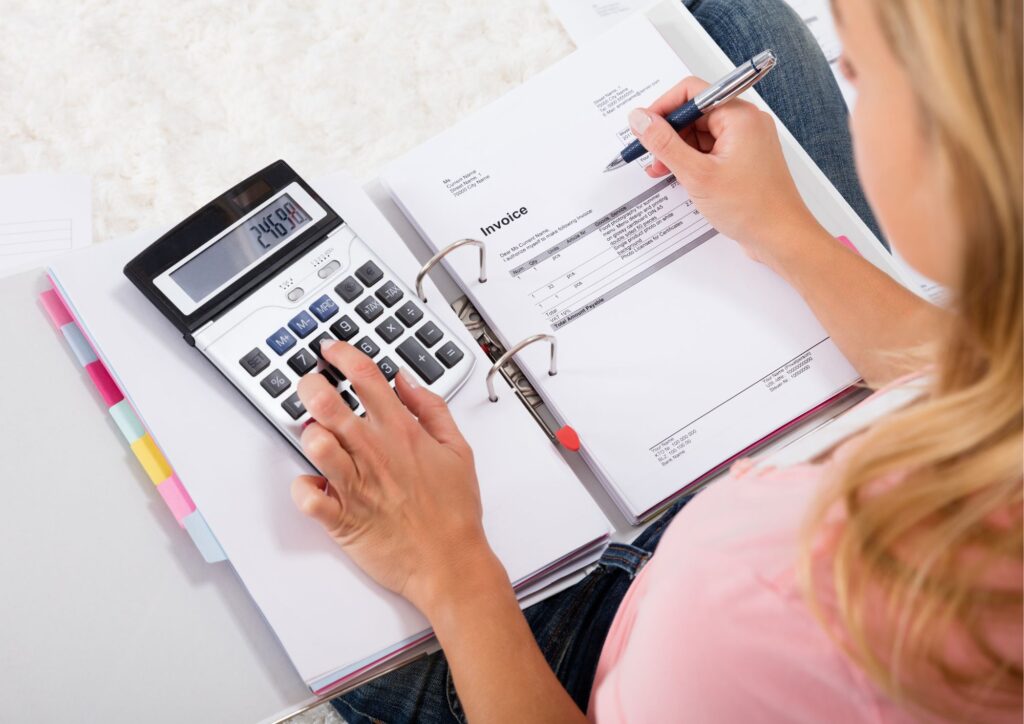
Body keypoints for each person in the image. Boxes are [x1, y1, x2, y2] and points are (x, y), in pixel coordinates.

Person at [289, 0, 1021, 720]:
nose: (847, 78)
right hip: (748, 576)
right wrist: (782, 230)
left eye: (859, 71)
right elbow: (971, 383)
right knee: (734, 13)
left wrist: (449, 570)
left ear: (964, 141)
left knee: (316, 615)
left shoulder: (765, 593)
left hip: (604, 655)